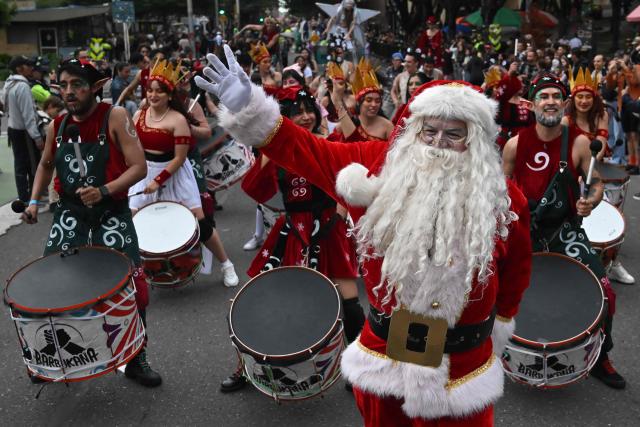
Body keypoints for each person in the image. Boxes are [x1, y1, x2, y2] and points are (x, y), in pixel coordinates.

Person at [196, 45, 532, 427]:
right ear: (413, 130)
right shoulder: (375, 167)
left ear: (473, 141)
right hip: (384, 357)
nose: (438, 142)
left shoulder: (503, 199)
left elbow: (517, 270)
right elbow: (307, 150)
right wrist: (251, 110)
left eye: (454, 133)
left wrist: (503, 319)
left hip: (463, 370)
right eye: (430, 130)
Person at [21, 59, 161, 387]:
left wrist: (104, 191)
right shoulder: (57, 124)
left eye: (76, 85)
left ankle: (137, 359)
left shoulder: (115, 117)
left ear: (95, 87)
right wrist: (32, 203)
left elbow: (138, 167)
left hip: (111, 211)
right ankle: (52, 359)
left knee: (131, 289)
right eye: (63, 85)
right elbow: (44, 165)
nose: (68, 92)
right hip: (71, 214)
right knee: (50, 281)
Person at [222, 86, 364, 392]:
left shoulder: (330, 142)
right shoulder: (277, 151)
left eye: (308, 109)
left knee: (349, 301)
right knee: (261, 297)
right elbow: (255, 189)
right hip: (292, 228)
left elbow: (352, 174)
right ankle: (246, 368)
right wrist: (268, 144)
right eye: (296, 112)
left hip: (329, 226)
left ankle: (361, 369)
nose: (305, 116)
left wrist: (338, 216)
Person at [503, 72, 626, 389]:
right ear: (532, 104)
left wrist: (592, 201)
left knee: (606, 292)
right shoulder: (514, 146)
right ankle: (494, 353)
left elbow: (595, 183)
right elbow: (499, 192)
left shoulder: (581, 142)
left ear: (565, 103)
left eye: (556, 96)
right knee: (495, 290)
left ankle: (601, 359)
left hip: (565, 232)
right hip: (525, 232)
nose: (550, 102)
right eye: (544, 96)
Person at [128, 60, 239, 288]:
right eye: (150, 90)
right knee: (130, 222)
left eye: (159, 91)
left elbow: (179, 159)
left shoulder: (178, 120)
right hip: (145, 172)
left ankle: (227, 264)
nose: (153, 94)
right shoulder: (139, 114)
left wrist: (159, 181)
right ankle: (133, 274)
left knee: (200, 222)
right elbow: (130, 147)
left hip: (175, 174)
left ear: (169, 95)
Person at [561, 68, 635, 285]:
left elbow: (601, 144)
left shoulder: (602, 114)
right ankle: (572, 261)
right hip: (575, 172)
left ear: (594, 98)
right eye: (579, 97)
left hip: (597, 167)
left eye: (588, 96)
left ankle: (613, 262)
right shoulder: (566, 121)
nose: (584, 101)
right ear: (573, 99)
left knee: (611, 218)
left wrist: (592, 161)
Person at [3, 55, 43, 204]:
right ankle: (34, 197)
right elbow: (28, 115)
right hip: (25, 132)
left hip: (13, 129)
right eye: (27, 65)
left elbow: (3, 105)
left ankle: (24, 197)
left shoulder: (8, 84)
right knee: (33, 164)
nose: (31, 67)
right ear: (19, 68)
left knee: (19, 164)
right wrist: (37, 137)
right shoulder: (23, 86)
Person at [331, 59, 394, 142]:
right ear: (358, 102)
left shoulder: (388, 126)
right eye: (368, 100)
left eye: (378, 101)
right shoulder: (348, 123)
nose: (374, 104)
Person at [484, 63, 532, 149]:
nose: (522, 85)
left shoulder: (526, 102)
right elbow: (502, 93)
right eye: (519, 82)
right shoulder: (503, 100)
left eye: (523, 83)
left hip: (526, 141)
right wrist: (509, 74)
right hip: (508, 142)